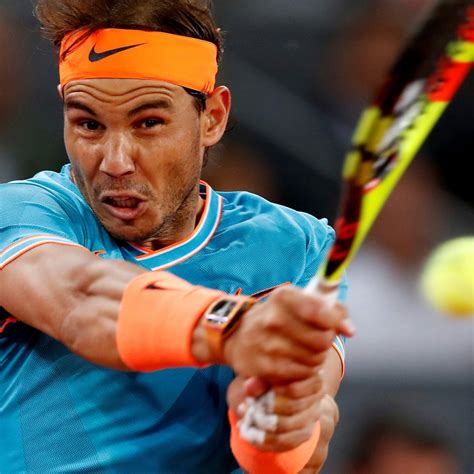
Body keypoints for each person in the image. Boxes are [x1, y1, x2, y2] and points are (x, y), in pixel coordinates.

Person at [0, 1, 353, 472]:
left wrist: (277, 421)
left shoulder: (296, 246)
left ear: (212, 118)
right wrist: (232, 326)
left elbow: (296, 446)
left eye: (148, 123)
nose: (115, 161)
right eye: (88, 124)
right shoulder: (24, 212)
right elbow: (85, 303)